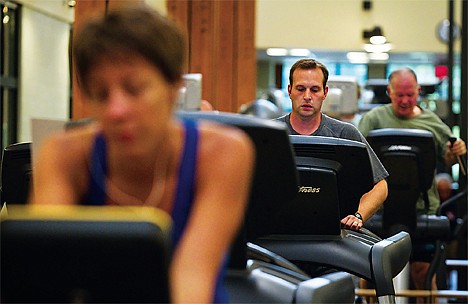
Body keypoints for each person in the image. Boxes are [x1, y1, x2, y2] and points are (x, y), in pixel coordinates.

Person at [29, 4, 255, 304]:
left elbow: (192, 276)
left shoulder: (222, 153)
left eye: (134, 89)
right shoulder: (64, 154)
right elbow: (46, 272)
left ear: (174, 86)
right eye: (101, 94)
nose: (116, 111)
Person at [358, 67, 467, 300]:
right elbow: (356, 157)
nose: (405, 100)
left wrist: (455, 151)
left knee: (423, 273)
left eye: (411, 95)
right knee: (369, 273)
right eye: (400, 95)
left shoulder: (433, 123)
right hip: (380, 210)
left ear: (418, 91)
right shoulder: (373, 119)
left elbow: (448, 158)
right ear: (389, 92)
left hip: (421, 210)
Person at [275, 58, 389, 230]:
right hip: (279, 230)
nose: (307, 96)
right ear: (290, 90)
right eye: (300, 89)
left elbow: (381, 186)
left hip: (335, 231)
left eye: (314, 90)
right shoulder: (272, 134)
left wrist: (358, 216)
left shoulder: (346, 134)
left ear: (325, 93)